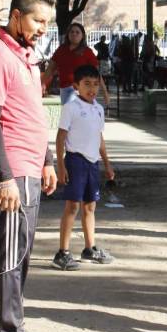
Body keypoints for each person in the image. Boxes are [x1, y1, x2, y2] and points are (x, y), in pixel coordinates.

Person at [0, 0, 58, 332]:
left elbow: (33, 114)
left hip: (29, 166)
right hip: (9, 171)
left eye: (47, 22)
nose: (43, 28)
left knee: (21, 254)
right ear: (15, 16)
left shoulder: (26, 56)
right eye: (38, 20)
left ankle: (8, 327)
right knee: (10, 255)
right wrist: (6, 178)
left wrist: (47, 160)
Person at [52, 64, 115, 271]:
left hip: (92, 163)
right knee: (73, 206)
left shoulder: (98, 109)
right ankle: (63, 252)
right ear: (75, 86)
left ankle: (90, 248)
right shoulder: (71, 107)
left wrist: (107, 164)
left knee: (90, 206)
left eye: (96, 84)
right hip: (75, 161)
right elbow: (61, 137)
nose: (92, 89)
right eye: (87, 84)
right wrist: (60, 165)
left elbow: (100, 138)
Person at [42, 23, 109, 106]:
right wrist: (41, 84)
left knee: (77, 114)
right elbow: (50, 69)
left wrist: (105, 92)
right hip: (64, 89)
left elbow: (96, 73)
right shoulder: (61, 50)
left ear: (82, 35)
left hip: (80, 90)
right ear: (68, 34)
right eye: (72, 32)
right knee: (69, 115)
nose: (74, 34)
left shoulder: (87, 52)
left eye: (77, 32)